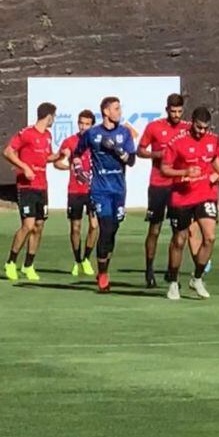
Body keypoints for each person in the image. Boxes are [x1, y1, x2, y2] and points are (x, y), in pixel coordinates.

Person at [161, 107, 219, 300]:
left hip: (205, 194)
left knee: (210, 238)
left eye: (205, 128)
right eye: (199, 127)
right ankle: (173, 282)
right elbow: (165, 169)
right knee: (179, 240)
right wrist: (184, 173)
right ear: (192, 122)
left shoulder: (213, 140)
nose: (202, 132)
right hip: (181, 197)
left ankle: (197, 278)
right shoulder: (177, 142)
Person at [71, 97, 137, 293]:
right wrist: (78, 170)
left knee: (113, 230)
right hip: (100, 190)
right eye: (116, 108)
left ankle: (104, 267)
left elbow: (131, 160)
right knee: (105, 228)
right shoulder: (93, 133)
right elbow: (77, 153)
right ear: (106, 112)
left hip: (118, 189)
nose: (119, 111)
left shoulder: (124, 133)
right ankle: (103, 275)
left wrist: (118, 151)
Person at [137, 93, 191, 287]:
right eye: (173, 111)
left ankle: (172, 271)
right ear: (167, 109)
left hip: (179, 185)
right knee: (155, 229)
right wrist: (158, 154)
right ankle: (149, 269)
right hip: (158, 184)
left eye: (179, 111)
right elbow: (140, 150)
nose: (176, 114)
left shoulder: (187, 129)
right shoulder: (154, 127)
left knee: (179, 231)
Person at [2, 103, 60, 282]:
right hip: (26, 186)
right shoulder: (26, 133)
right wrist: (24, 167)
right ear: (48, 116)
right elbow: (8, 152)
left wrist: (60, 155)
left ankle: (28, 265)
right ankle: (11, 262)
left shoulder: (48, 136)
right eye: (54, 117)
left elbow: (47, 157)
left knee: (39, 226)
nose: (54, 120)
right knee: (27, 225)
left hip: (42, 187)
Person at [54, 110, 98, 278]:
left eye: (87, 124)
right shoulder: (70, 141)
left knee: (94, 225)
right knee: (75, 227)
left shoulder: (96, 142)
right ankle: (77, 260)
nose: (83, 127)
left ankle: (86, 258)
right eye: (81, 123)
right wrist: (68, 166)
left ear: (92, 125)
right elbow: (58, 163)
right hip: (75, 191)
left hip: (93, 190)